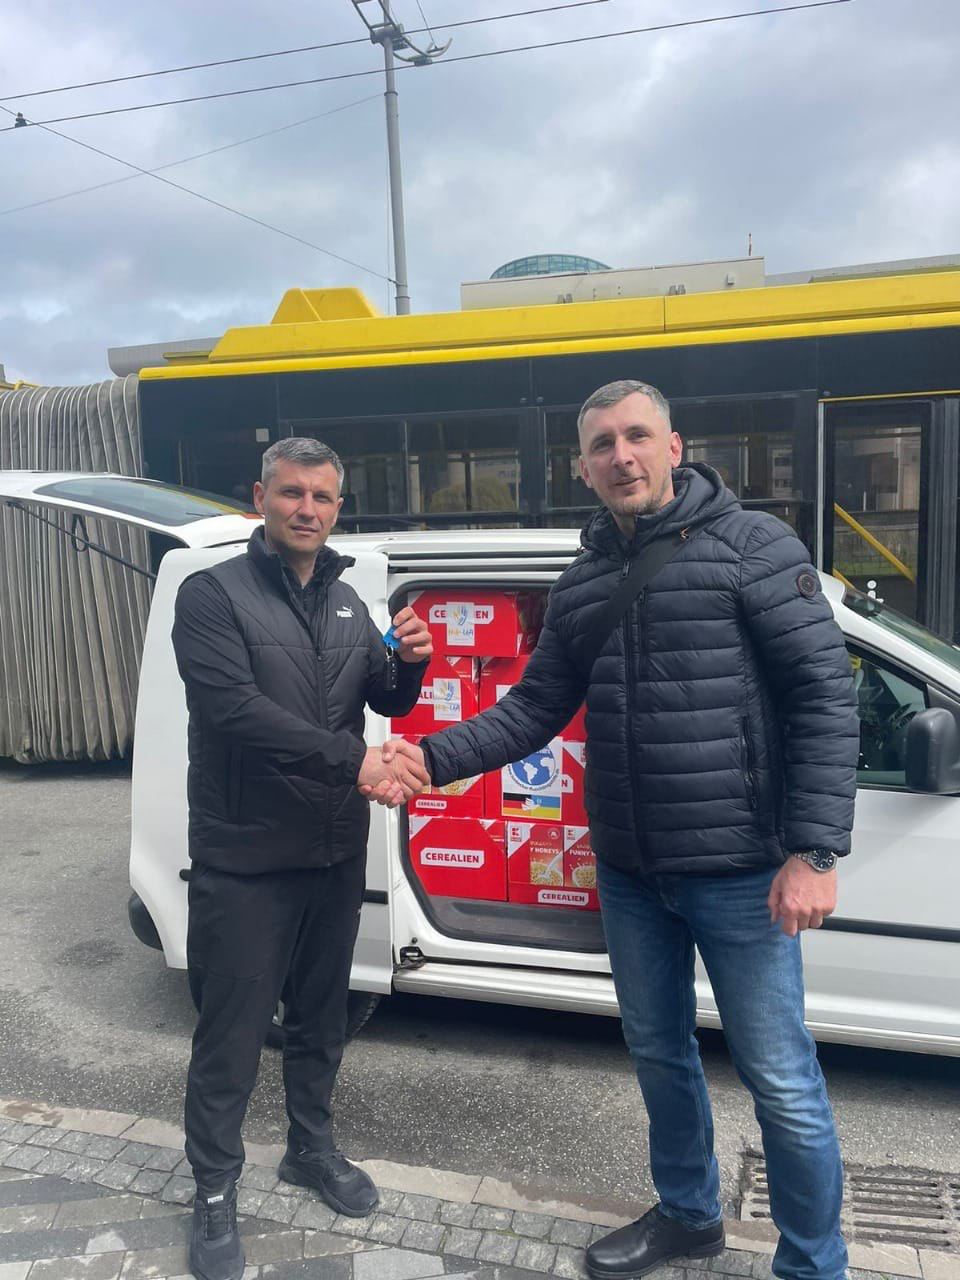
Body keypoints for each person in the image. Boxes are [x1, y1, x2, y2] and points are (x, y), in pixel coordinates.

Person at [384, 380, 860, 1280]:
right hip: (634, 873)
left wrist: (815, 850)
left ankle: (813, 1265)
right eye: (603, 443)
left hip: (741, 871)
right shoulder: (584, 581)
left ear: (674, 447)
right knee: (659, 1056)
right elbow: (532, 710)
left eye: (638, 436)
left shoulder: (755, 548)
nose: (622, 456)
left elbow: (825, 700)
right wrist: (426, 759)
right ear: (583, 466)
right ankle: (688, 1215)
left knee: (781, 1080)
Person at [172, 437, 431, 1280]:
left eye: (322, 496)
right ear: (261, 498)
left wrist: (412, 666)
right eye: (291, 493)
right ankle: (214, 1188)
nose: (307, 509)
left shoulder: (351, 600)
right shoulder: (211, 595)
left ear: (338, 507)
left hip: (331, 852)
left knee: (321, 1021)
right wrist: (353, 761)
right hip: (245, 858)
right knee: (232, 1037)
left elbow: (381, 699)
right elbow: (234, 710)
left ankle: (309, 1149)